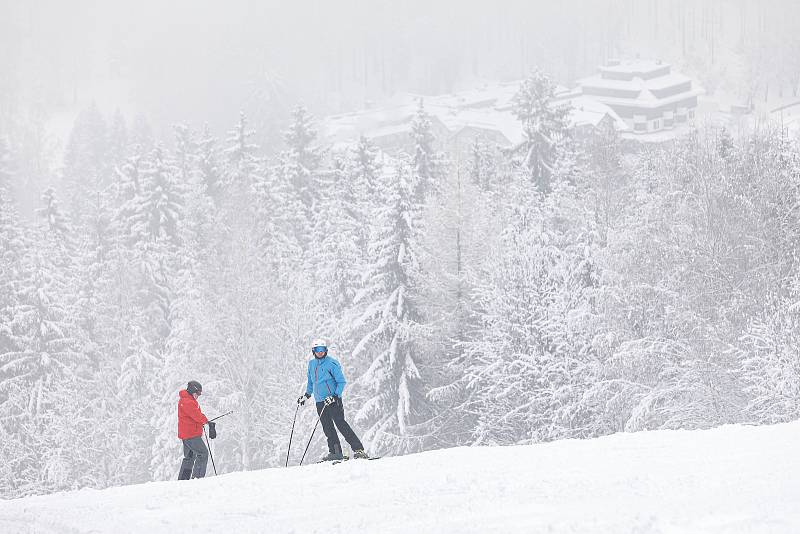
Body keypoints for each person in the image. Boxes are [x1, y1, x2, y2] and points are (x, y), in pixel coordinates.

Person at [297, 339, 368, 461]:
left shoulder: (332, 363)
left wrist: (335, 396)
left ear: (326, 350)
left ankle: (358, 450)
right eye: (318, 350)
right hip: (320, 402)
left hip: (333, 401)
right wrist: (307, 395)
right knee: (327, 427)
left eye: (323, 350)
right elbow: (311, 382)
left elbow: (341, 382)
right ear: (313, 351)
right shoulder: (312, 364)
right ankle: (335, 452)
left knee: (341, 425)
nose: (320, 352)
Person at [177, 380, 214, 479]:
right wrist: (207, 422)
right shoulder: (187, 402)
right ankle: (197, 478)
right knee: (203, 453)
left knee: (189, 457)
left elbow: (194, 416)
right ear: (193, 390)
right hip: (191, 435)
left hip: (187, 434)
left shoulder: (186, 400)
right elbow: (196, 415)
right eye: (197, 393)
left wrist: (205, 422)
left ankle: (183, 479)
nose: (198, 395)